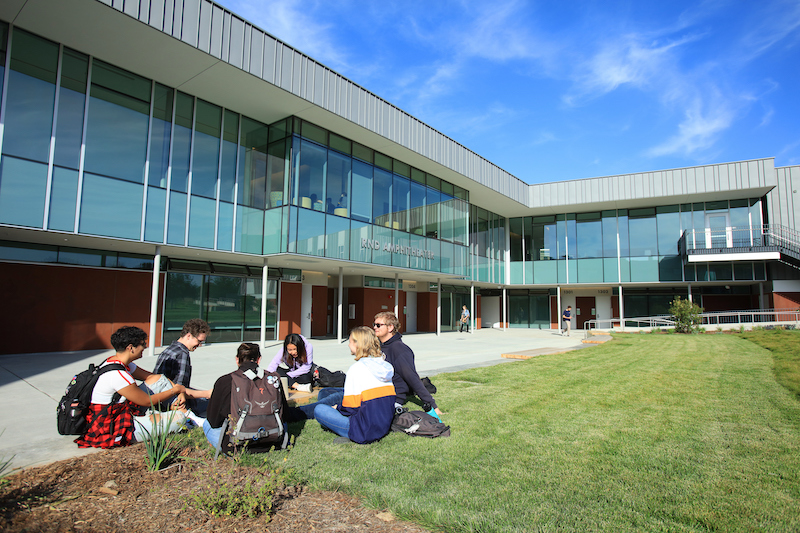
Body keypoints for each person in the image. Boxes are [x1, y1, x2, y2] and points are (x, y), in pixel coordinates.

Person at [76, 326, 202, 449]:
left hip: (121, 410)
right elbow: (147, 401)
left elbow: (156, 378)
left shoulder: (116, 362)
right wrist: (175, 390)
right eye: (142, 344)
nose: (145, 347)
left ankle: (189, 415)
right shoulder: (118, 375)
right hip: (111, 426)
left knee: (157, 380)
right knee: (178, 419)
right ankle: (187, 416)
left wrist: (179, 392)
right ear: (131, 348)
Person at [203, 343, 299, 453]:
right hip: (274, 440)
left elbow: (213, 421)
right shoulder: (272, 378)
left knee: (207, 424)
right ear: (259, 359)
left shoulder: (225, 381)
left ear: (237, 359)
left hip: (237, 446)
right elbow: (285, 415)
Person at [313, 326, 396, 444]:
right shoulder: (383, 365)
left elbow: (351, 408)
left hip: (364, 431)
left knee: (319, 409)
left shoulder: (356, 369)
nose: (348, 344)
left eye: (350, 341)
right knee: (324, 392)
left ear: (358, 345)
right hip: (383, 424)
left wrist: (337, 408)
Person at [373, 312, 443, 418]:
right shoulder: (382, 346)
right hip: (377, 392)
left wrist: (433, 406)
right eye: (374, 324)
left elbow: (412, 378)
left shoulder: (399, 349)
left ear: (390, 327)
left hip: (390, 397)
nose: (374, 327)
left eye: (378, 325)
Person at [154, 318, 212, 413]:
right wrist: (206, 394)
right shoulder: (182, 354)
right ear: (189, 336)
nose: (200, 345)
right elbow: (180, 389)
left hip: (160, 402)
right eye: (199, 341)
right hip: (173, 406)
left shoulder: (169, 350)